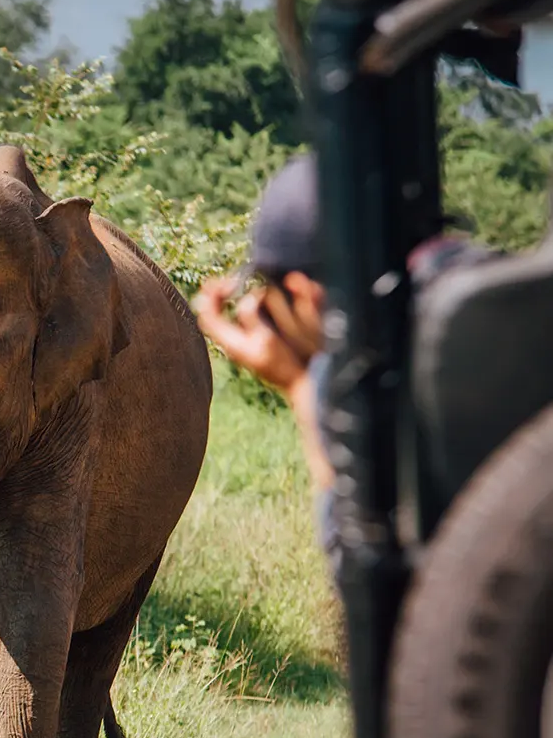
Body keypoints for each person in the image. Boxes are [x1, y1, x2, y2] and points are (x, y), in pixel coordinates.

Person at [192, 152, 493, 579]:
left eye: (267, 289)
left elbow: (363, 566)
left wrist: (296, 385)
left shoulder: (360, 375)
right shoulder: (475, 312)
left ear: (304, 293)